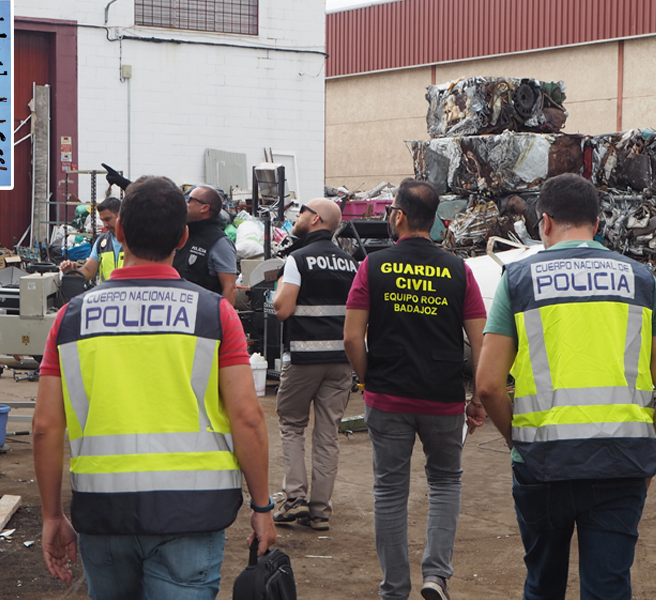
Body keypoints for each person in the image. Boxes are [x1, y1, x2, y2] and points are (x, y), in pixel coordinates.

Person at [32, 175, 277, 600]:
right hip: (193, 513)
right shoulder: (215, 314)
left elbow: (45, 427)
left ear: (119, 232)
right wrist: (262, 506)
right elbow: (247, 418)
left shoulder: (71, 318)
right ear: (182, 237)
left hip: (104, 512)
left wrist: (51, 514)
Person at [473, 173, 656, 600]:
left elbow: (489, 387)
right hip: (621, 464)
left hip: (542, 465)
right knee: (608, 588)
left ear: (545, 222)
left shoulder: (517, 280)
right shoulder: (642, 281)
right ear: (598, 224)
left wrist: (521, 443)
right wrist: (648, 461)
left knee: (542, 585)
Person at [343, 178, 488, 600]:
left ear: (400, 216)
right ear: (437, 220)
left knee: (389, 490)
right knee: (445, 482)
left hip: (387, 394)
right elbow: (481, 341)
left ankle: (394, 590)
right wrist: (477, 398)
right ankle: (435, 577)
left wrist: (369, 378)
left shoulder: (372, 266)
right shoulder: (459, 271)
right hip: (442, 397)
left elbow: (352, 338)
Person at [270, 198, 358, 532]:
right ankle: (320, 511)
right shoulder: (350, 263)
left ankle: (294, 500)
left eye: (303, 211)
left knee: (292, 424)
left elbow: (282, 308)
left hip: (304, 358)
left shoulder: (297, 259)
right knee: (327, 434)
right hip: (340, 362)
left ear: (316, 219)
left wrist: (279, 285)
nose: (298, 216)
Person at [174, 184, 238, 306]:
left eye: (189, 200)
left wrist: (222, 322)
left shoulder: (219, 242)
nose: (185, 203)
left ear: (204, 208)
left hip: (203, 316)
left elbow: (230, 288)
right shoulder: (184, 233)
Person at [60, 197, 123, 283]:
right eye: (102, 220)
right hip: (108, 294)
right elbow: (88, 270)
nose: (105, 225)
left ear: (120, 214)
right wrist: (72, 273)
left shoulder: (136, 241)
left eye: (108, 219)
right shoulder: (102, 243)